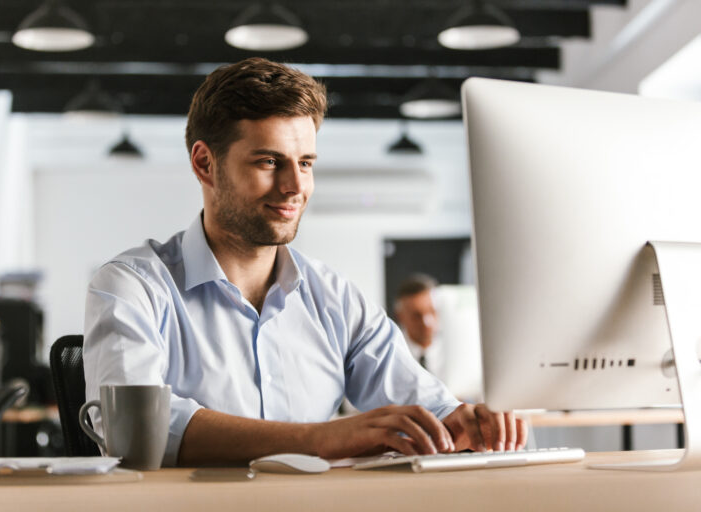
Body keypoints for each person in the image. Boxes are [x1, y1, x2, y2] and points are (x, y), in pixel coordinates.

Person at [83, 57, 527, 467]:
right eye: (269, 161)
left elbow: (428, 405)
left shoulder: (334, 298)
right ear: (205, 164)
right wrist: (321, 439)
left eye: (306, 163)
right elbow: (134, 433)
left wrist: (463, 421)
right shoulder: (131, 286)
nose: (295, 186)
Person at [394, 274, 442, 375]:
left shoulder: (456, 349)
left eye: (432, 311)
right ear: (400, 316)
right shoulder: (393, 353)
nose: (426, 322)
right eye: (416, 315)